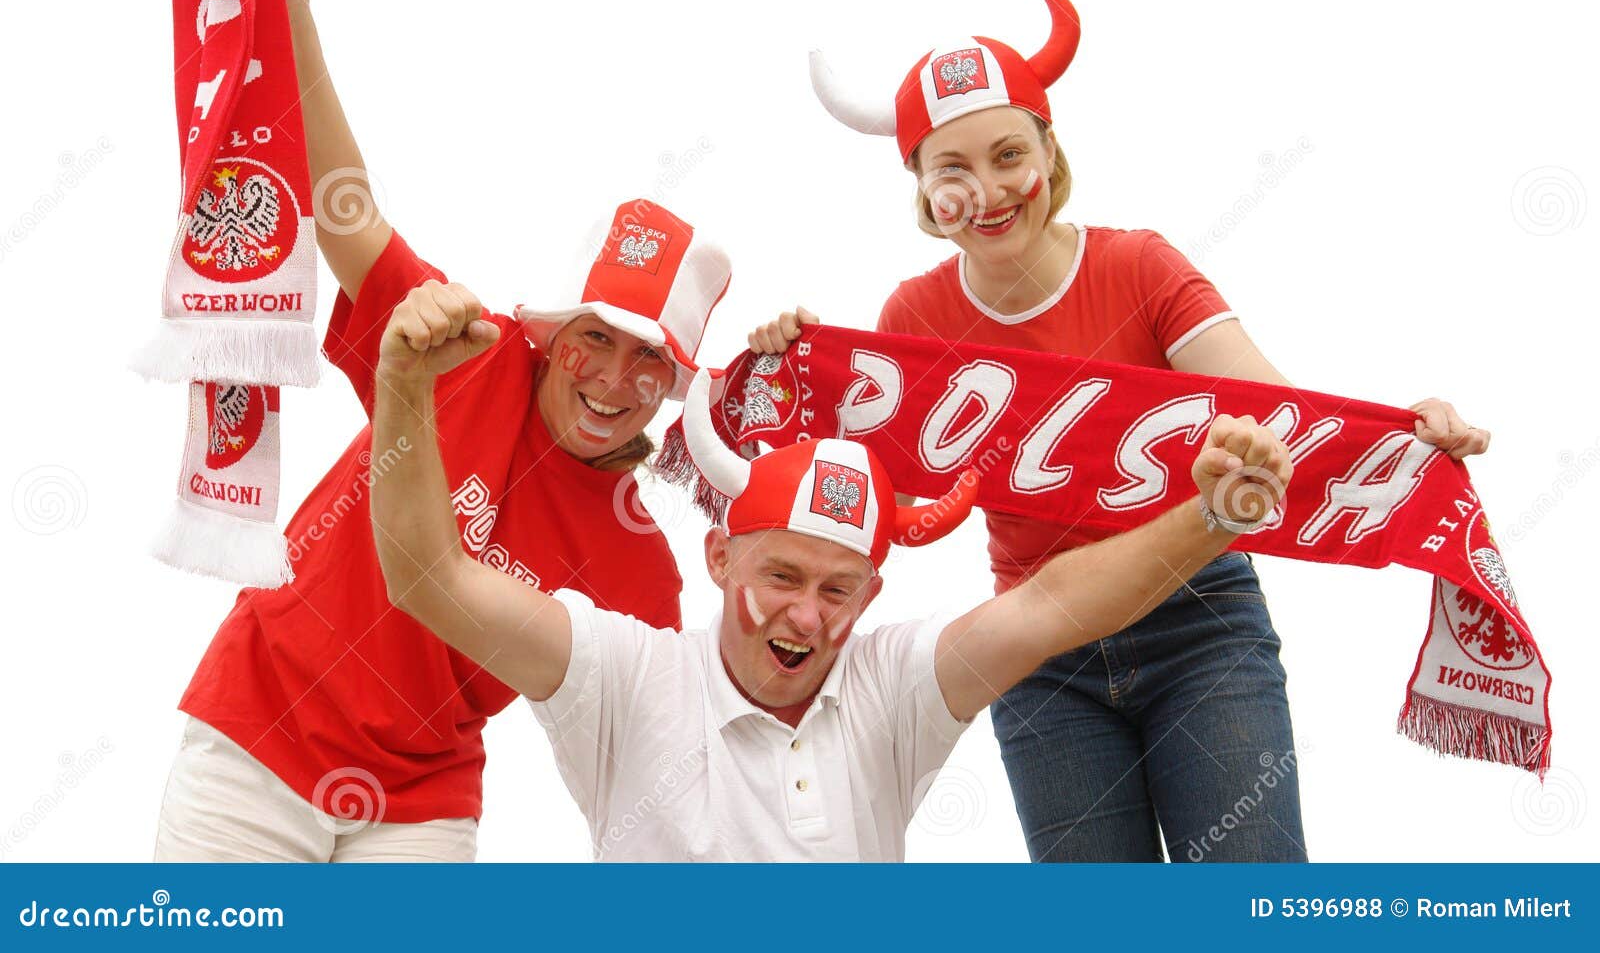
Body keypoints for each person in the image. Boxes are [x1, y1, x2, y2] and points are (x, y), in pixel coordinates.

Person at [786, 0, 1492, 863]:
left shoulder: (1138, 267)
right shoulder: (912, 318)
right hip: (1043, 655)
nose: (991, 188)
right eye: (953, 169)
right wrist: (793, 370)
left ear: (1050, 148)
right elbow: (855, 504)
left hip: (1201, 625)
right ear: (923, 190)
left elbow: (1279, 414)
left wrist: (1404, 433)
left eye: (1009, 153)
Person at [153, 0, 732, 862]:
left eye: (649, 360)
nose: (615, 378)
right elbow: (345, 212)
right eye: (597, 337)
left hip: (422, 796)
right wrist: (293, 9)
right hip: (258, 734)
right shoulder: (460, 345)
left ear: (672, 388)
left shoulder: (641, 572)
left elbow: (670, 746)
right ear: (554, 333)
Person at [366, 287, 1295, 862]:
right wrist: (403, 386)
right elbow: (426, 575)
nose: (805, 615)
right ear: (720, 557)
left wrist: (1211, 515)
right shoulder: (626, 675)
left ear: (870, 597)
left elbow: (1052, 606)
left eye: (837, 588)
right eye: (781, 575)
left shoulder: (889, 686)